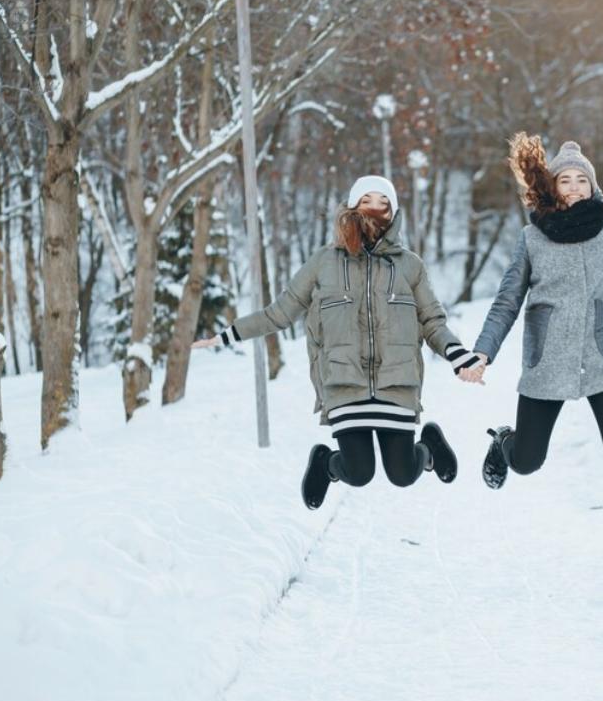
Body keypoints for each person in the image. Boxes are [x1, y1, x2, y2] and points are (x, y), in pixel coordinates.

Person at [192, 175, 483, 509]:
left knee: (402, 475)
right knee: (359, 473)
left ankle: (428, 449)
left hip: (397, 383)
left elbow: (432, 321)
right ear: (352, 206)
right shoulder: (324, 262)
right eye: (366, 201)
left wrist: (458, 355)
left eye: (383, 203)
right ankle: (326, 464)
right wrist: (227, 334)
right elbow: (281, 312)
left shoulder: (409, 266)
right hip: (344, 383)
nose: (374, 208)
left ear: (393, 211)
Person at [465, 125, 603, 494]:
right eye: (565, 180)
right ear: (553, 187)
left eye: (582, 179)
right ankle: (504, 441)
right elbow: (507, 300)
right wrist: (483, 352)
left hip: (602, 357)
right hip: (547, 358)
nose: (574, 187)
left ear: (593, 186)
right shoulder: (533, 238)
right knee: (525, 462)